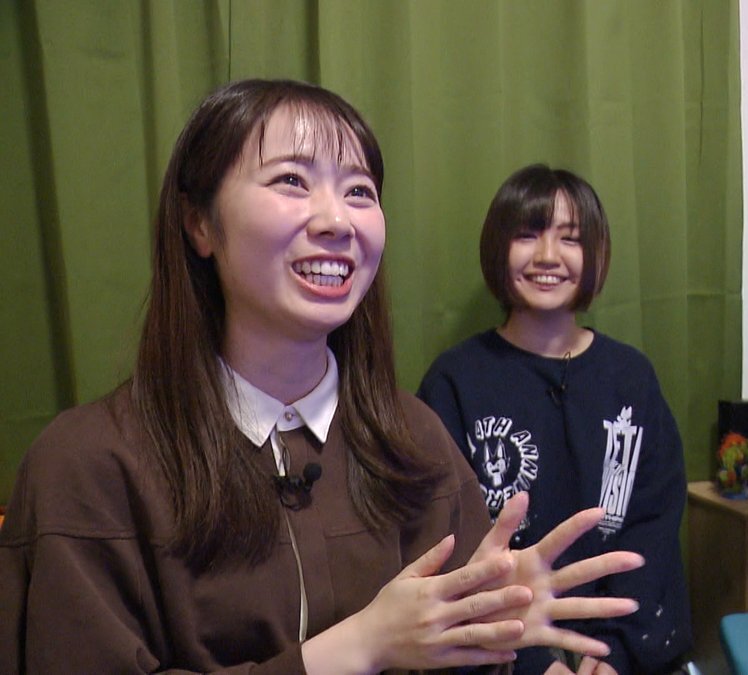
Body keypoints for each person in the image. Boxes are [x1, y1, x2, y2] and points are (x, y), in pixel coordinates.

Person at [0, 79, 646, 673]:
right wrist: (360, 645)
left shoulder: (415, 439)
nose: (337, 220)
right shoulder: (87, 465)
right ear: (200, 223)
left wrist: (491, 636)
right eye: (291, 180)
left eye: (359, 191)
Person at [417, 165, 691, 674]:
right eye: (527, 235)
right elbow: (447, 540)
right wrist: (533, 663)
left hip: (622, 648)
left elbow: (653, 529)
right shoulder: (455, 381)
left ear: (595, 255)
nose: (548, 256)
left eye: (571, 238)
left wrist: (613, 656)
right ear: (498, 248)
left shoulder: (631, 378)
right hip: (497, 647)